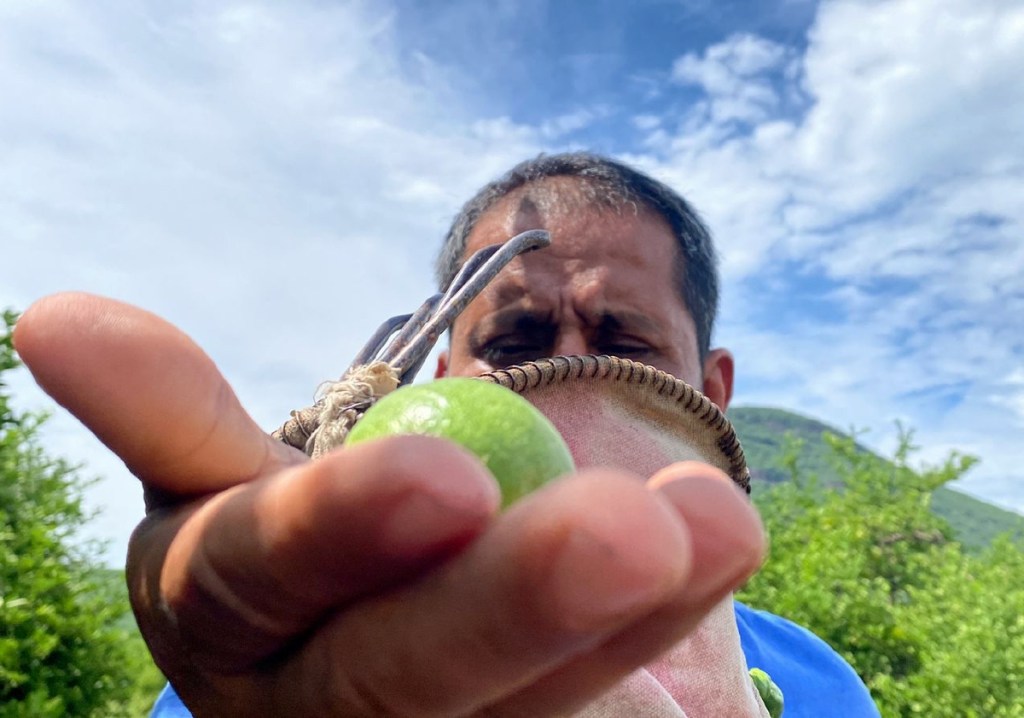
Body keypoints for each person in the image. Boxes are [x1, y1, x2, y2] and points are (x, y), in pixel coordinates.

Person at [13, 153, 879, 716]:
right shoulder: (262, 677)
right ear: (436, 376)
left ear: (712, 392)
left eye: (623, 341)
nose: (572, 371)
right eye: (513, 342)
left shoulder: (820, 686)